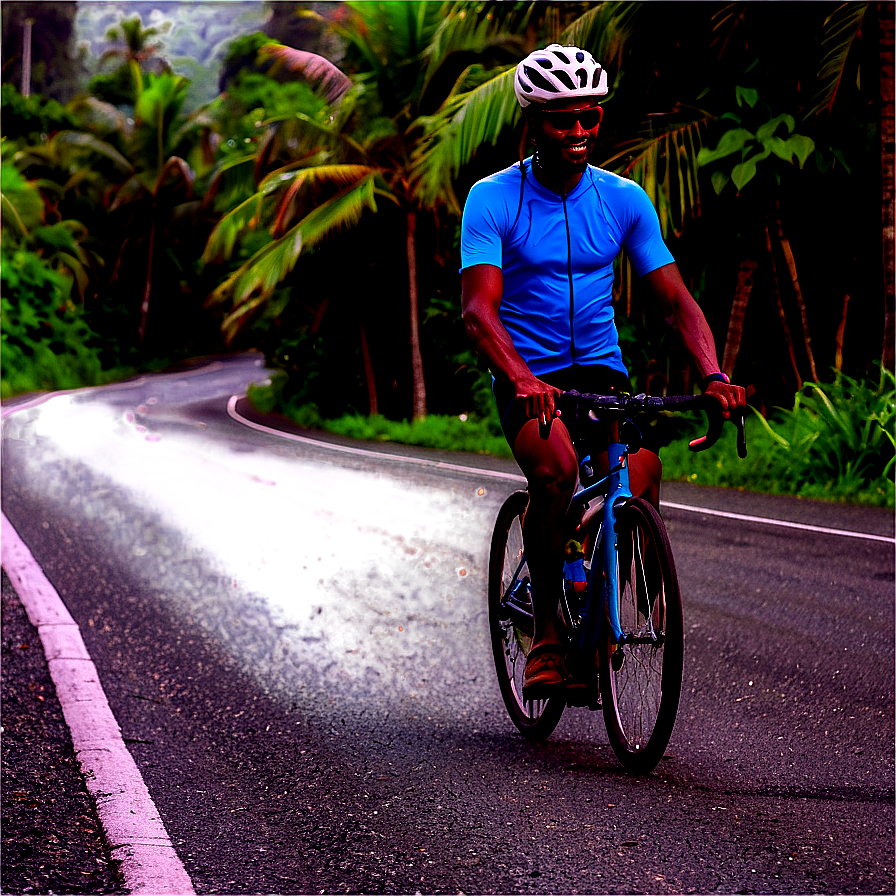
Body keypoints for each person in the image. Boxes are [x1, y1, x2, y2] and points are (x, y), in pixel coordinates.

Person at [460, 44, 746, 701]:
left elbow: (674, 299)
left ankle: (595, 556)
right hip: (529, 374)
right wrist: (523, 378)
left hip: (598, 370)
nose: (581, 131)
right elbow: (478, 310)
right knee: (556, 472)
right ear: (533, 122)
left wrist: (712, 371)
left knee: (640, 474)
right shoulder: (492, 199)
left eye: (591, 117)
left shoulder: (623, 199)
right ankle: (549, 637)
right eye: (565, 120)